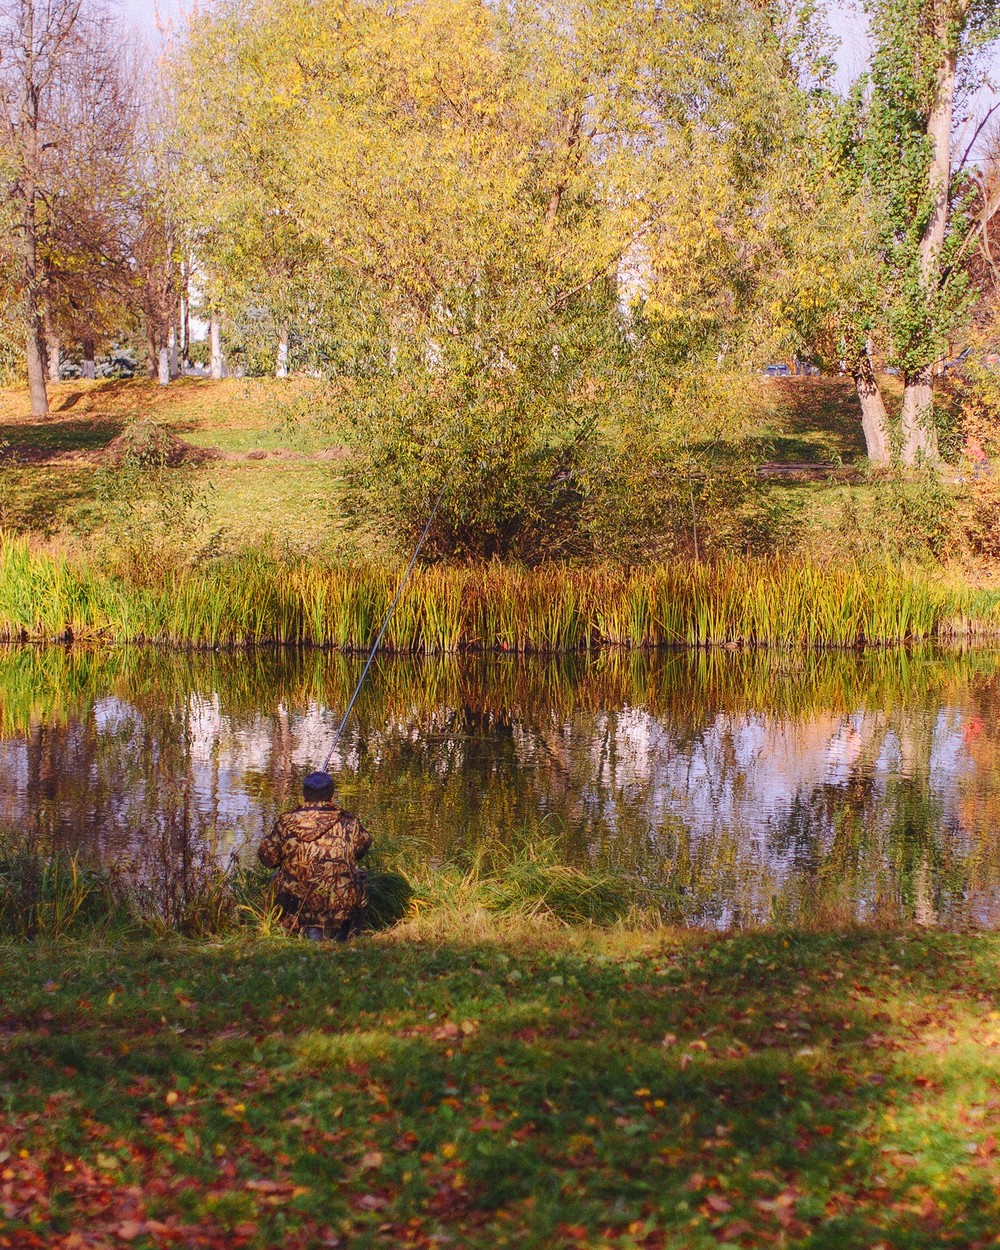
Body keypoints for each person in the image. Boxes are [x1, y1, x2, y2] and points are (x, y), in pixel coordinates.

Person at [258, 771, 371, 939]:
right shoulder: (349, 822)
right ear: (331, 796)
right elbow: (361, 849)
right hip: (337, 913)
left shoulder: (286, 822)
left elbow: (267, 859)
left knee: (276, 877)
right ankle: (349, 932)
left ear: (304, 795)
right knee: (360, 876)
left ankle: (283, 929)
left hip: (295, 912)